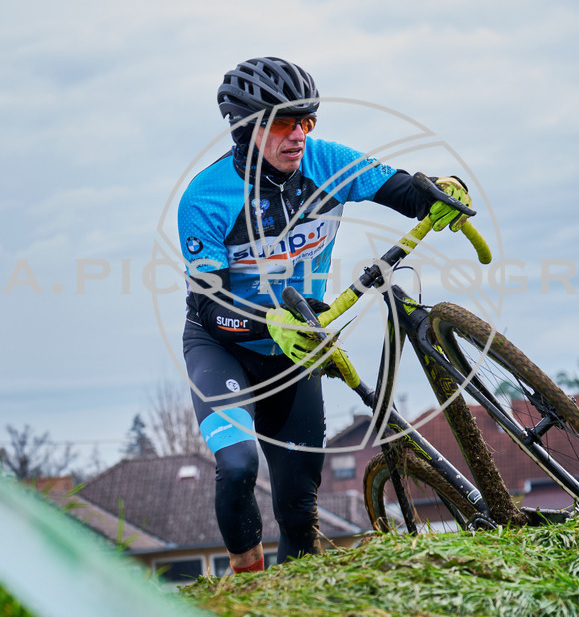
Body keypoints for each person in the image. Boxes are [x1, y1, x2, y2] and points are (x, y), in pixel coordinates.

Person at [177, 56, 472, 573]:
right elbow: (209, 302)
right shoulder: (206, 197)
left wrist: (438, 190)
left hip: (298, 346)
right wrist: (265, 322)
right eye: (284, 123)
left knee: (297, 507)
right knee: (240, 464)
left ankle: (294, 600)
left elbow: (396, 187)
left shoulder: (325, 161)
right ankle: (246, 586)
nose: (299, 135)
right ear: (246, 129)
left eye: (307, 121)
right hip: (223, 344)